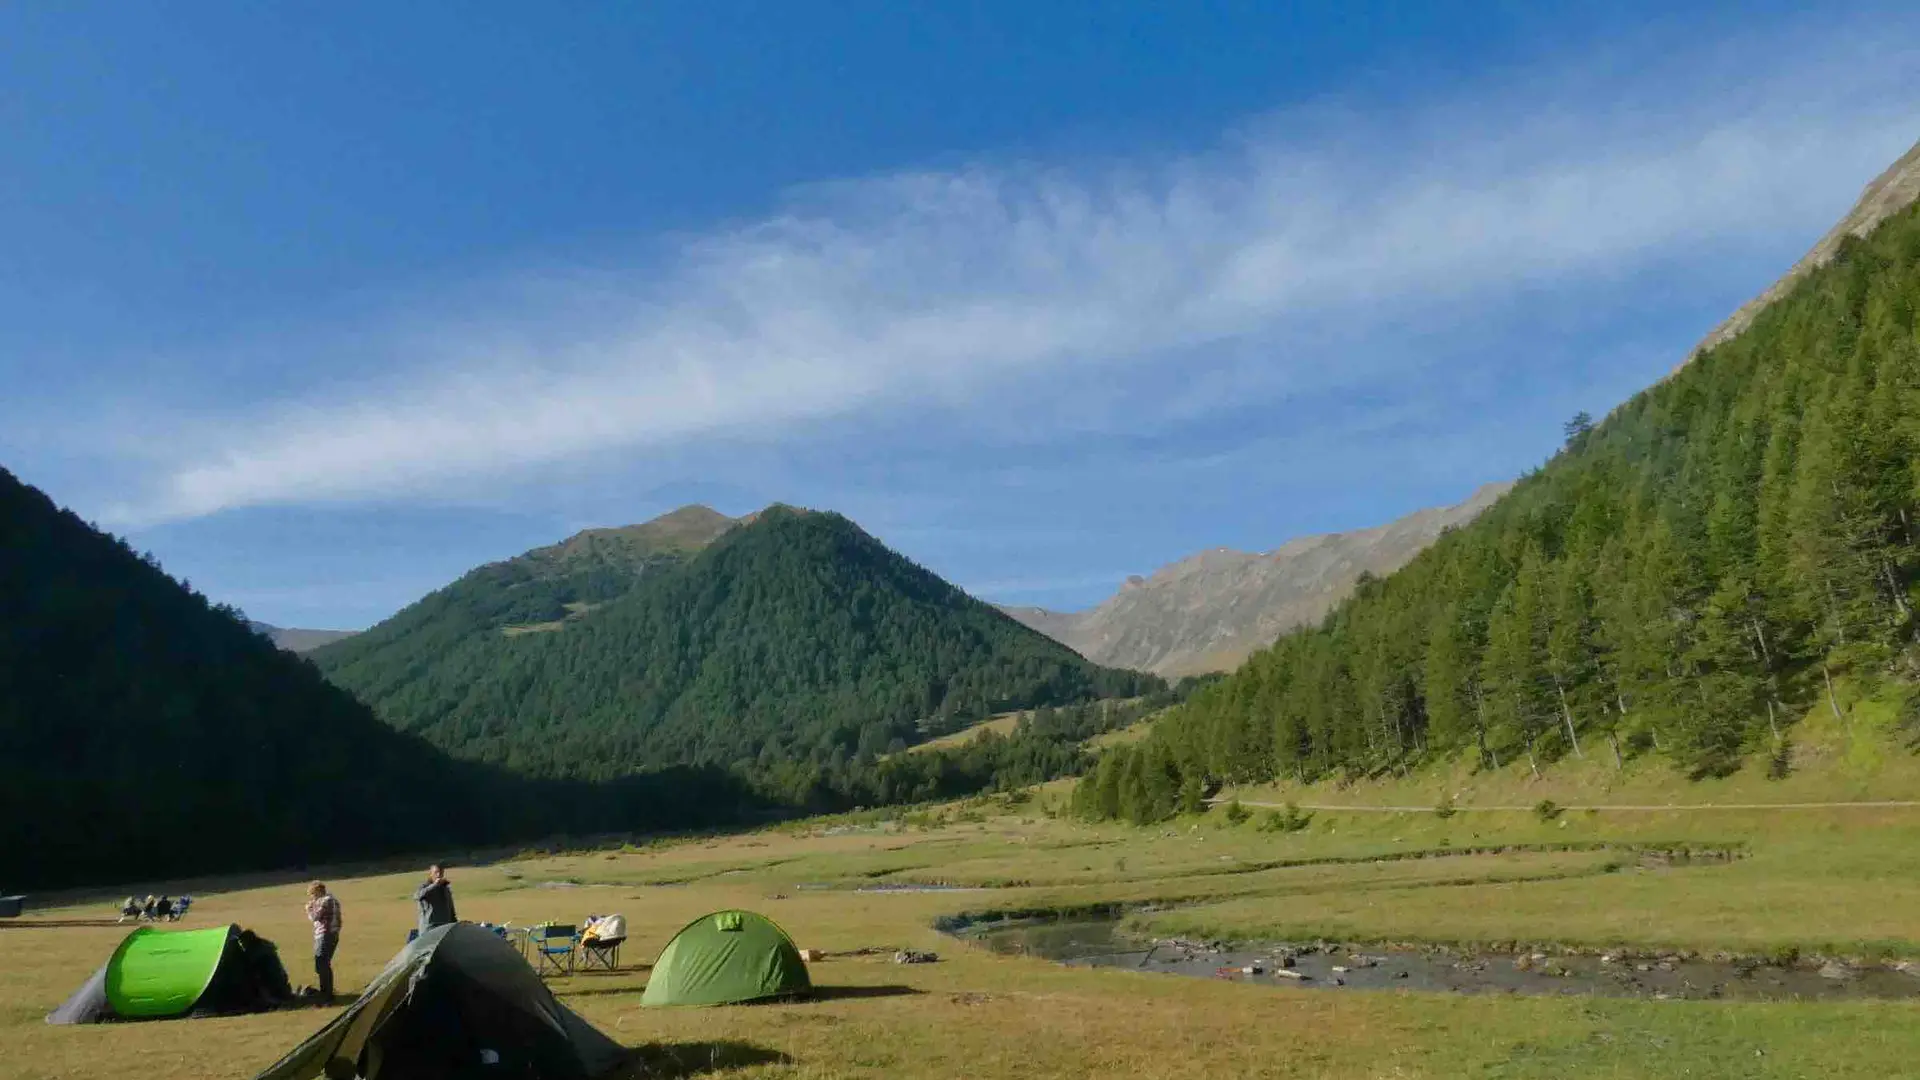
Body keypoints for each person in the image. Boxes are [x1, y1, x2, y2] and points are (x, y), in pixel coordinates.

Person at [305, 882, 343, 1002]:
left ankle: (326, 993)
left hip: (325, 935)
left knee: (322, 963)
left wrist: (309, 909)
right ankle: (326, 991)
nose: (312, 898)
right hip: (331, 934)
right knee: (322, 964)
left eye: (312, 894)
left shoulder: (325, 901)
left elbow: (315, 917)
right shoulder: (333, 900)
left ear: (317, 892)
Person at [413, 864, 456, 935]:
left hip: (445, 928)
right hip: (429, 928)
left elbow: (451, 911)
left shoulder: (445, 889)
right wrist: (434, 885)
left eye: (441, 872)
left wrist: (454, 924)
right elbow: (417, 896)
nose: (439, 875)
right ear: (431, 874)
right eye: (436, 872)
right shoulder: (425, 887)